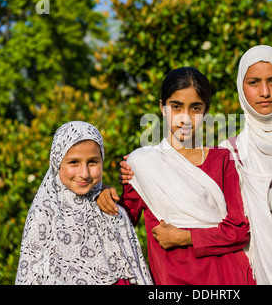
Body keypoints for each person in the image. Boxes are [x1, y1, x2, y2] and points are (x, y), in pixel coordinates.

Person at [114, 46, 272, 285]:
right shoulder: (234, 149)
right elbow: (121, 218)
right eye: (253, 82)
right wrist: (104, 191)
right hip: (270, 272)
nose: (264, 92)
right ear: (242, 87)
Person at [97, 67, 255, 285]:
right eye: (176, 107)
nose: (185, 118)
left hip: (226, 277)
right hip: (172, 279)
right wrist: (101, 192)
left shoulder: (223, 160)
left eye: (195, 108)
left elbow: (239, 230)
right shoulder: (143, 164)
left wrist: (187, 237)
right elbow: (121, 223)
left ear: (206, 112)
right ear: (162, 108)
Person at [16, 121, 152, 285]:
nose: (84, 173)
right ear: (56, 162)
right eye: (74, 162)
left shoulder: (110, 209)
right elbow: (30, 275)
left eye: (93, 162)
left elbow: (135, 272)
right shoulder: (44, 215)